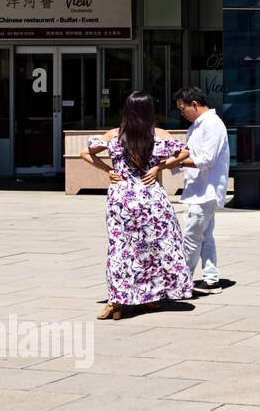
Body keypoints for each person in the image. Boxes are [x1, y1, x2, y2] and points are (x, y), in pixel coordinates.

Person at [81, 92, 194, 319]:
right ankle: (148, 297)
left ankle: (117, 300)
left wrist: (108, 171)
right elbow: (184, 152)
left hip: (122, 198)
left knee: (121, 248)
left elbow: (85, 152)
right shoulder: (158, 134)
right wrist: (158, 168)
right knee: (150, 248)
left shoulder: (115, 134)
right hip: (151, 198)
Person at [166, 86, 230, 293]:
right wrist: (170, 163)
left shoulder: (212, 124)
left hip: (206, 190)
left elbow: (207, 160)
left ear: (194, 104)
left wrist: (177, 164)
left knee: (192, 235)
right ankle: (211, 279)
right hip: (199, 189)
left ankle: (182, 281)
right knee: (204, 236)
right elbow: (187, 154)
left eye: (182, 108)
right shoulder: (196, 126)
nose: (181, 112)